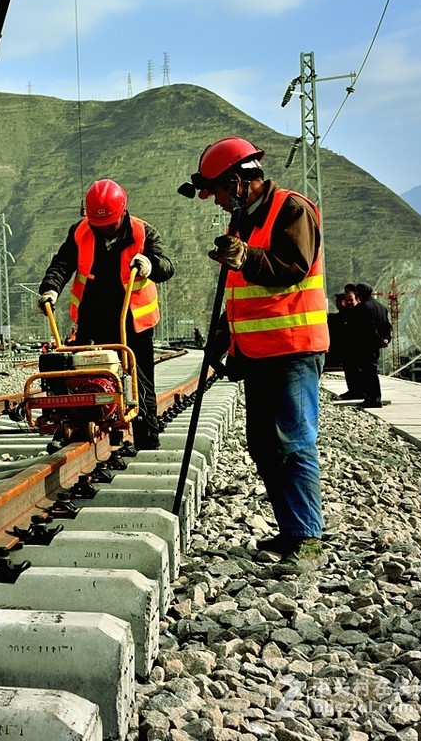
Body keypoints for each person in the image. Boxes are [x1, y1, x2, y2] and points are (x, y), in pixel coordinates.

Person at [179, 136, 328, 569]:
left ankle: (308, 540)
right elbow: (243, 296)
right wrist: (220, 341)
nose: (217, 202)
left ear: (239, 182)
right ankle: (291, 532)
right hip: (259, 353)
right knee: (264, 444)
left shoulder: (292, 209)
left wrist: (246, 257)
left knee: (294, 443)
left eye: (219, 192)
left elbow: (293, 267)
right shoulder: (240, 223)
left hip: (293, 350)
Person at [37, 178, 175, 449]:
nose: (103, 231)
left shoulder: (143, 232)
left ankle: (147, 439)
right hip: (92, 316)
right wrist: (50, 290)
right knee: (79, 374)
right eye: (98, 226)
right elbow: (62, 263)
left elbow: (167, 266)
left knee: (139, 379)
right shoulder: (80, 232)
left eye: (109, 225)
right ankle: (75, 428)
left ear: (122, 212)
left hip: (133, 321)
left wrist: (150, 264)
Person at [347, 282, 392, 408]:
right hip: (376, 345)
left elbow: (369, 329)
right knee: (372, 371)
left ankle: (373, 399)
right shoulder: (381, 307)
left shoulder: (363, 308)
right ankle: (372, 397)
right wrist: (386, 339)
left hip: (365, 345)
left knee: (368, 373)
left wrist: (378, 340)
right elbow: (386, 326)